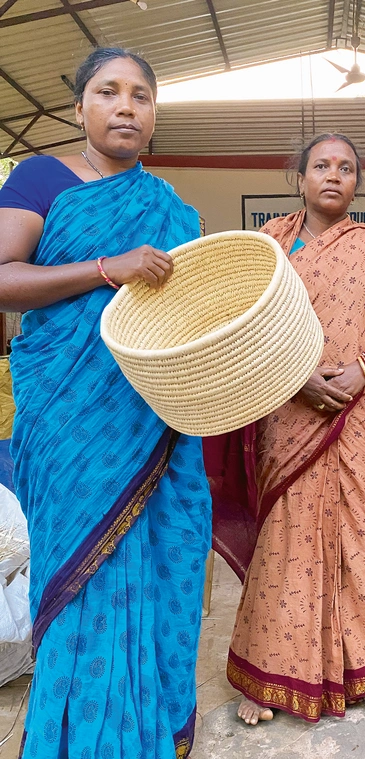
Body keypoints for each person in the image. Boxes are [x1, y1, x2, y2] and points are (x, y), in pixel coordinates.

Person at [0, 48, 211, 758]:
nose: (126, 106)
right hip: (69, 420)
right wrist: (104, 269)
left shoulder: (176, 213)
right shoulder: (42, 178)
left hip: (156, 421)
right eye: (108, 91)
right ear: (79, 107)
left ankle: (144, 731)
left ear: (154, 114)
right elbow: (2, 277)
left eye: (141, 96)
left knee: (163, 559)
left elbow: (197, 319)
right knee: (86, 576)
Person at [204, 133, 365, 725]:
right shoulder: (268, 244)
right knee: (287, 540)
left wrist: (363, 370)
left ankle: (357, 667)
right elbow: (237, 325)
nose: (334, 175)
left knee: (361, 538)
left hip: (356, 420)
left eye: (346, 168)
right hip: (285, 411)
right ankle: (271, 679)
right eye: (321, 165)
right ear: (299, 177)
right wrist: (298, 378)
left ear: (357, 183)